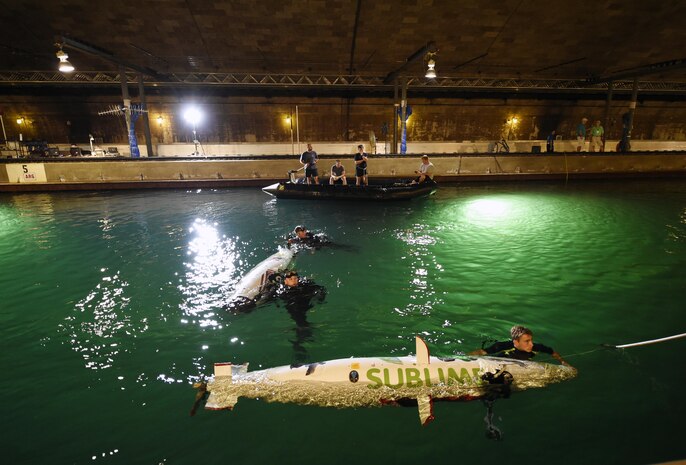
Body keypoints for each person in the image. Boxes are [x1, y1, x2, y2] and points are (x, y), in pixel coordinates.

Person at [469, 325, 574, 368]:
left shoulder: (537, 347)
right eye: (527, 341)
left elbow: (552, 352)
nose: (531, 344)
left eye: (531, 340)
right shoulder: (502, 346)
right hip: (501, 363)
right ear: (516, 342)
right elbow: (482, 352)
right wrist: (465, 358)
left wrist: (563, 362)